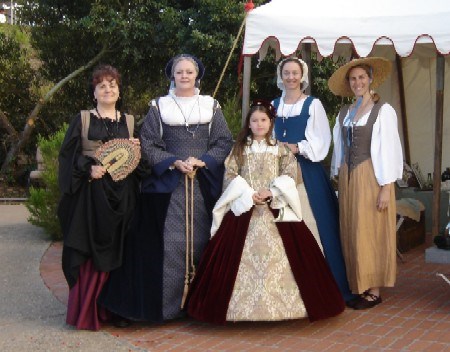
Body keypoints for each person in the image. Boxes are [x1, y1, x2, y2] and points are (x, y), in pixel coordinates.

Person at [98, 54, 233, 323]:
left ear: (197, 75)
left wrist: (202, 161)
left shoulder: (211, 106)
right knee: (168, 244)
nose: (184, 75)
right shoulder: (159, 107)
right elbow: (148, 142)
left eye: (189, 72)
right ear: (172, 75)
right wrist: (173, 162)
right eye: (179, 71)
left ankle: (199, 305)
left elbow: (223, 140)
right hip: (168, 184)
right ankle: (167, 307)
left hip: (203, 183)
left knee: (203, 241)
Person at [186, 100, 345, 324]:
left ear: (270, 123)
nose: (259, 124)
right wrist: (247, 193)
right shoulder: (239, 149)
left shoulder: (281, 149)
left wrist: (271, 191)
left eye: (263, 120)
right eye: (254, 120)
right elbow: (230, 175)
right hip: (245, 207)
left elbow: (290, 175)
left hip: (275, 207)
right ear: (248, 124)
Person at [57, 64, 141, 330]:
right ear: (94, 92)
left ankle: (116, 309)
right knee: (91, 249)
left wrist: (137, 150)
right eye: (102, 85)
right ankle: (88, 311)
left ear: (119, 90)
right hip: (92, 197)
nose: (108, 89)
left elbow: (138, 163)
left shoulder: (128, 121)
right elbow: (68, 156)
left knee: (122, 249)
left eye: (112, 85)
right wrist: (88, 168)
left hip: (122, 195)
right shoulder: (82, 119)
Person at [272, 57, 355, 302]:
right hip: (277, 172)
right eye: (286, 73)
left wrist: (296, 148)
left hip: (306, 171)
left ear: (302, 76)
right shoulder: (273, 104)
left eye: (295, 73)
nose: (291, 77)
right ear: (281, 76)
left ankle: (324, 286)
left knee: (315, 224)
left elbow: (321, 141)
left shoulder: (312, 104)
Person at [328, 57, 403, 309]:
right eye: (353, 78)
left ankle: (374, 288)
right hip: (349, 177)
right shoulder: (345, 113)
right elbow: (339, 147)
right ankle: (358, 283)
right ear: (349, 84)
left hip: (372, 175)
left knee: (370, 230)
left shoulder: (383, 111)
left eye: (361, 77)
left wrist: (387, 186)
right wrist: (338, 174)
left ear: (370, 78)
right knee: (352, 229)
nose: (357, 82)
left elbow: (391, 149)